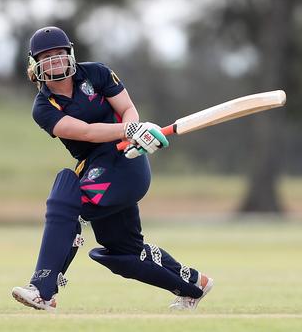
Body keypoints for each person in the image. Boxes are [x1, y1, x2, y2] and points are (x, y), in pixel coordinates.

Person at [11, 26, 213, 311]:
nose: (56, 61)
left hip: (126, 163)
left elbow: (128, 108)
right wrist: (129, 130)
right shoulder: (43, 107)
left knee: (65, 192)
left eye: (60, 54)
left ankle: (43, 290)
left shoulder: (97, 73)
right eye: (48, 57)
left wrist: (135, 134)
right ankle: (194, 284)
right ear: (35, 65)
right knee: (122, 253)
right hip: (96, 164)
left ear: (70, 54)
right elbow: (86, 132)